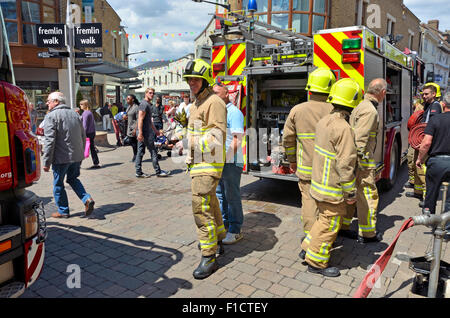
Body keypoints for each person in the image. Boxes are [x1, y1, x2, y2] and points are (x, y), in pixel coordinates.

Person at [300, 78, 360, 277]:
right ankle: (316, 262)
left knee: (321, 220)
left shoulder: (325, 121)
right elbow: (346, 164)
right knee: (329, 224)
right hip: (332, 189)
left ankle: (307, 247)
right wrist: (350, 192)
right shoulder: (343, 128)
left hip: (318, 184)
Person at [282, 68, 335, 254]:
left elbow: (287, 140)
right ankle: (322, 240)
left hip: (306, 169)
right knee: (327, 207)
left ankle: (309, 240)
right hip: (330, 171)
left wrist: (292, 161)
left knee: (309, 205)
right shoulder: (336, 111)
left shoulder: (297, 110)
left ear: (310, 88)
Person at [183, 58, 227, 279]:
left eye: (195, 79)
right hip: (198, 163)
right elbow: (197, 131)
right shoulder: (197, 104)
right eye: (189, 79)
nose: (191, 82)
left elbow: (217, 136)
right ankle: (218, 240)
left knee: (201, 208)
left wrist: (188, 143)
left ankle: (209, 256)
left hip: (208, 163)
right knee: (211, 202)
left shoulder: (214, 103)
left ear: (205, 79)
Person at [341, 78, 386, 244]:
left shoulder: (360, 105)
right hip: (363, 163)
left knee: (350, 196)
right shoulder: (370, 111)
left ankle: (344, 227)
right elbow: (360, 140)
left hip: (356, 162)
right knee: (368, 195)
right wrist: (356, 165)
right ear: (382, 93)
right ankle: (368, 234)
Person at [42, 92, 95, 219]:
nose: (47, 103)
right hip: (76, 156)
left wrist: (46, 162)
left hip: (61, 158)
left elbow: (50, 141)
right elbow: (83, 135)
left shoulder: (51, 116)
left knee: (58, 184)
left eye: (48, 101)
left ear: (56, 101)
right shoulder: (75, 114)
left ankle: (63, 210)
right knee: (73, 179)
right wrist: (81, 153)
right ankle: (86, 199)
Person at [213, 83, 245, 245]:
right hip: (219, 160)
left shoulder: (234, 113)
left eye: (217, 93)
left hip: (231, 161)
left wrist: (227, 158)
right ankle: (225, 223)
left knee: (232, 196)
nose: (214, 95)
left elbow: (238, 139)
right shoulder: (218, 112)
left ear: (227, 94)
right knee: (220, 195)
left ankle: (235, 229)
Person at [406, 84, 442, 206]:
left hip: (426, 140)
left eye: (426, 94)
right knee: (416, 166)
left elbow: (431, 125)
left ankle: (427, 199)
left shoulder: (435, 106)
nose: (424, 96)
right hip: (421, 139)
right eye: (423, 94)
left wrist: (424, 141)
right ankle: (418, 192)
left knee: (423, 169)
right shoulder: (428, 105)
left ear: (433, 94)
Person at [417, 92, 450, 216]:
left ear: (443, 104)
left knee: (431, 190)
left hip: (437, 162)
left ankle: (429, 216)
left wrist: (419, 159)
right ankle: (447, 227)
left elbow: (426, 143)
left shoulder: (435, 119)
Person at [135, 88, 170, 178]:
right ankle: (158, 171)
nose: (152, 95)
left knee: (141, 151)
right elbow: (140, 119)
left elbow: (149, 121)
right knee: (153, 151)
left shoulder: (148, 105)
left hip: (146, 132)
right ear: (146, 93)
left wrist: (156, 131)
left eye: (153, 93)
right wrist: (140, 133)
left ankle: (139, 172)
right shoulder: (144, 104)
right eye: (150, 93)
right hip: (145, 133)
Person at [80, 100, 100, 169]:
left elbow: (84, 125)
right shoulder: (89, 112)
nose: (80, 105)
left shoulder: (85, 113)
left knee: (82, 148)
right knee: (91, 148)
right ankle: (96, 163)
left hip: (87, 134)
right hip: (91, 133)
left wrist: (83, 134)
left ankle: (77, 164)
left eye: (81, 104)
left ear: (85, 105)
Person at [125, 94, 140, 162]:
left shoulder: (136, 107)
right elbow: (128, 115)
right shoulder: (129, 107)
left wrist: (135, 129)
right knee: (131, 142)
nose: (127, 100)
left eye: (128, 98)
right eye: (127, 98)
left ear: (132, 99)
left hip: (134, 128)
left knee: (134, 142)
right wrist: (125, 117)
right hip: (129, 127)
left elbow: (138, 119)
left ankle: (136, 155)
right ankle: (136, 155)